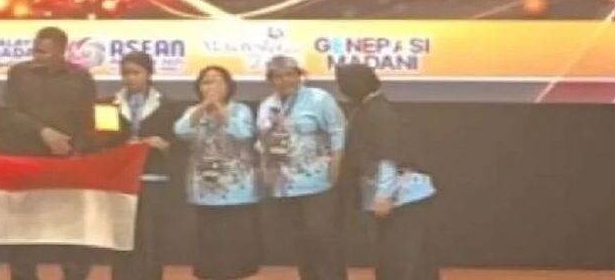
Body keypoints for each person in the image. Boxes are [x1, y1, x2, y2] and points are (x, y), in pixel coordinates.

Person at [0, 26, 98, 280]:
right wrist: (42, 131)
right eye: (35, 50)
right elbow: (9, 113)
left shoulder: (81, 78)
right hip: (26, 160)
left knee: (72, 227)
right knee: (24, 227)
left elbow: (90, 119)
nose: (37, 56)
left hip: (67, 162)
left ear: (61, 52)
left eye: (43, 52)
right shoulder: (19, 73)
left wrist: (75, 149)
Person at [335, 64, 440, 280]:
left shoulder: (379, 113)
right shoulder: (367, 109)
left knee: (399, 261)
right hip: (397, 195)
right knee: (405, 259)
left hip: (403, 196)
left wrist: (384, 195)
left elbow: (388, 156)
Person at [257, 56, 347, 280]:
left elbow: (338, 131)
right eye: (278, 76)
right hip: (284, 185)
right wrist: (266, 169)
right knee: (300, 242)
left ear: (299, 75)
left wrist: (337, 162)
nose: (284, 80)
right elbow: (263, 141)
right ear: (270, 80)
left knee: (322, 239)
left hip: (318, 182)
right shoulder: (267, 106)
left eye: (290, 74)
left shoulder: (319, 98)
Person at [173, 66, 261, 280]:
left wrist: (220, 109)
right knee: (209, 245)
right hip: (204, 189)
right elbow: (180, 131)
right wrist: (204, 107)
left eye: (218, 81)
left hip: (237, 189)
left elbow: (243, 134)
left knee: (235, 246)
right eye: (206, 82)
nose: (211, 86)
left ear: (229, 86)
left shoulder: (240, 110)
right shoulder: (193, 111)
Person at [108, 52, 179, 280]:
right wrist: (122, 145)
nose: (130, 78)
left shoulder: (167, 105)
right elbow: (99, 140)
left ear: (149, 74)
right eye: (125, 73)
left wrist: (163, 144)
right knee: (122, 238)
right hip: (121, 181)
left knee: (152, 238)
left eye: (136, 73)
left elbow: (178, 142)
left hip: (154, 178)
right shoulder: (108, 105)